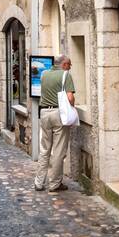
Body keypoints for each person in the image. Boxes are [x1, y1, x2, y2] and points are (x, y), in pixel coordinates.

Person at [34, 55, 75, 192]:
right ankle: (54, 183)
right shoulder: (65, 75)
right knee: (58, 151)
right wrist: (72, 109)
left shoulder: (44, 74)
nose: (70, 66)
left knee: (44, 149)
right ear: (63, 64)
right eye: (69, 64)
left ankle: (39, 182)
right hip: (59, 114)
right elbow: (70, 97)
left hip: (44, 113)